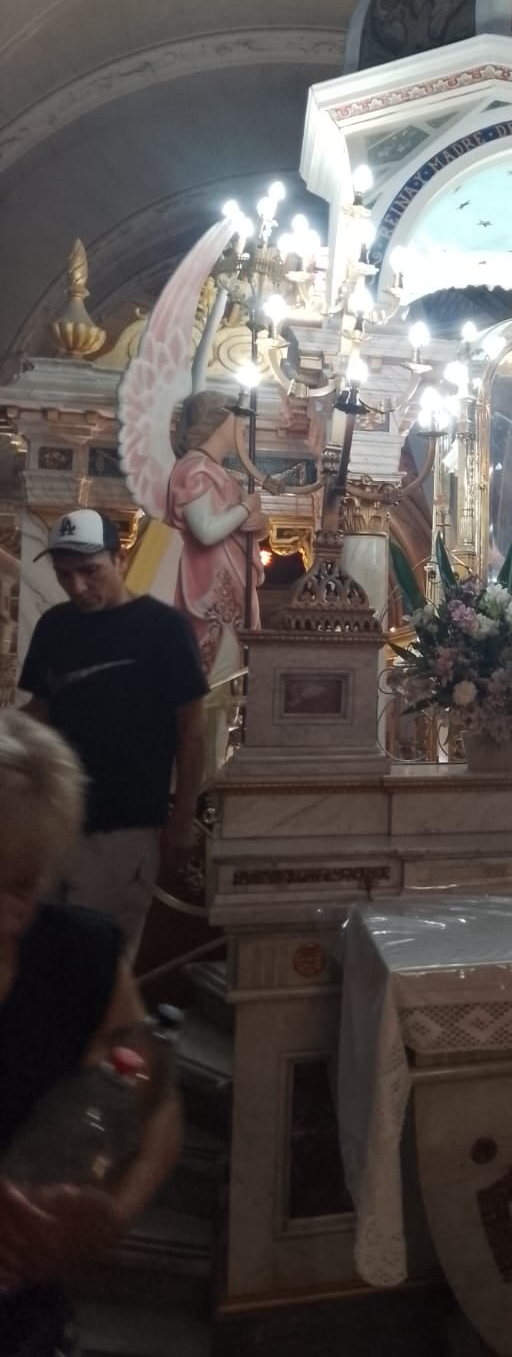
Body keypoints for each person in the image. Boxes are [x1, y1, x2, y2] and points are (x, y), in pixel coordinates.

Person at [0, 710, 181, 1354]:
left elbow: (147, 1094)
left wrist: (108, 1214)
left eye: (20, 884)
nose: (6, 912)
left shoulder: (79, 954)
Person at [19, 509, 209, 953]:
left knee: (98, 966)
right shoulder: (55, 627)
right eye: (65, 575)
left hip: (125, 828)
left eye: (90, 571)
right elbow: (40, 710)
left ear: (119, 559)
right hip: (55, 821)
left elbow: (191, 728)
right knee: (37, 956)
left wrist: (181, 819)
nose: (78, 587)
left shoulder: (164, 629)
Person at [166, 391, 269, 682]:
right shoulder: (193, 468)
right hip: (210, 588)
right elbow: (207, 531)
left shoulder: (217, 472)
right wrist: (245, 507)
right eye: (238, 420)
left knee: (234, 681)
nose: (243, 428)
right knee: (216, 684)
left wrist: (260, 524)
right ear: (220, 421)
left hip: (233, 584)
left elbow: (238, 527)